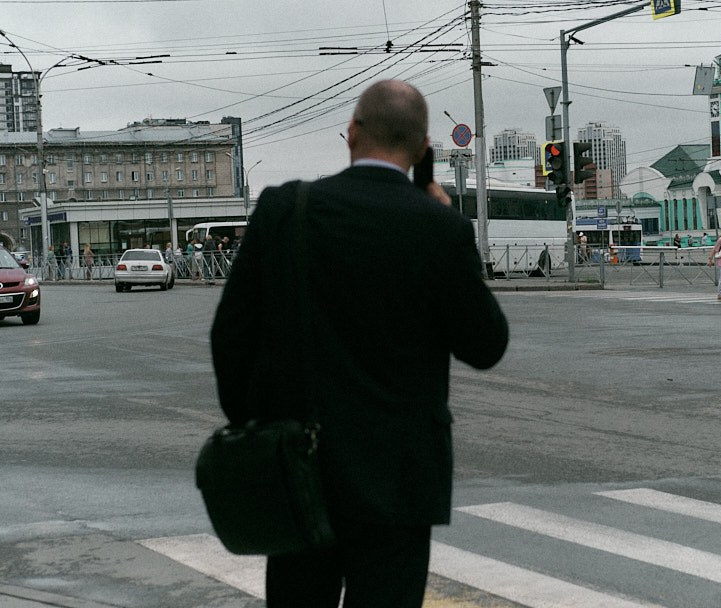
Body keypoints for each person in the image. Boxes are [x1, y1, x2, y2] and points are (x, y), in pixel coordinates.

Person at [210, 79, 508, 608]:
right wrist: (445, 220)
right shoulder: (439, 228)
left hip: (299, 470)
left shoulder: (286, 209)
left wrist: (258, 425)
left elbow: (231, 336)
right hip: (402, 481)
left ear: (351, 132)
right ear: (423, 150)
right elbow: (485, 346)